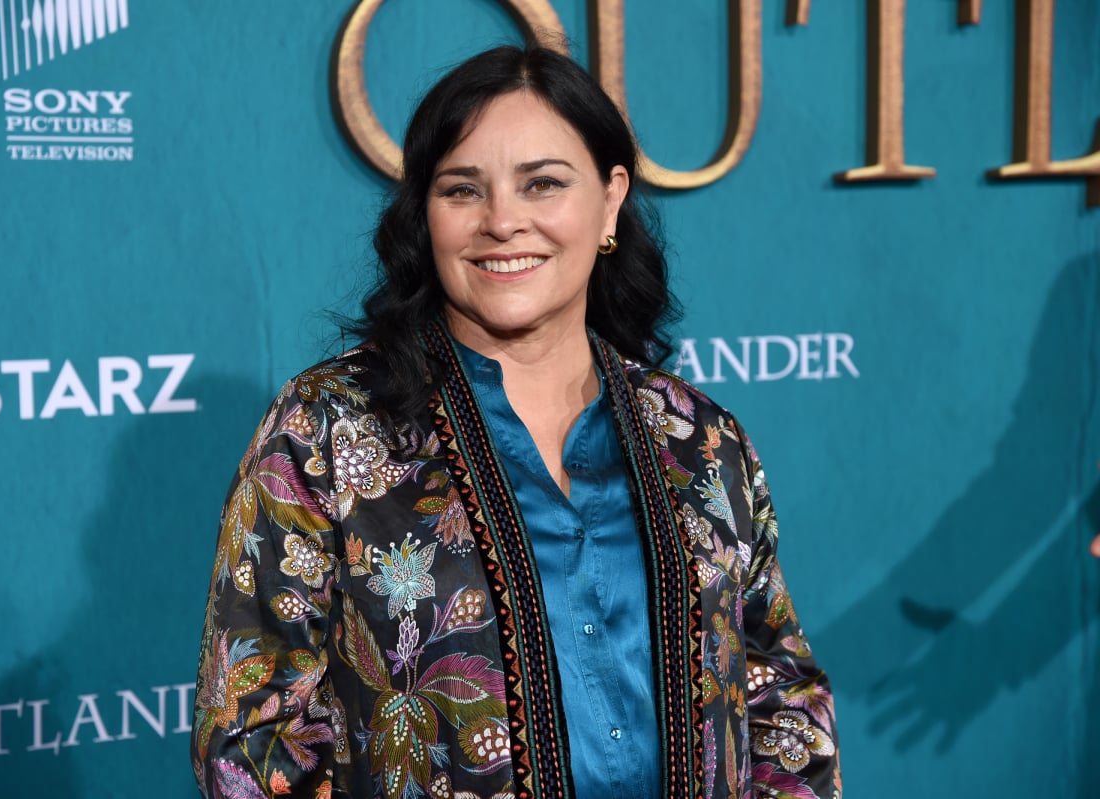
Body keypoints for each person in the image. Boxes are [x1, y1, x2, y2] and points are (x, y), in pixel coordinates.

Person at [191, 43, 840, 799]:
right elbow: (248, 740)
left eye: (543, 184)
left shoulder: (700, 439)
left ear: (610, 200)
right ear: (424, 213)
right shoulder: (327, 432)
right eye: (462, 190)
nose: (502, 221)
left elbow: (781, 697)